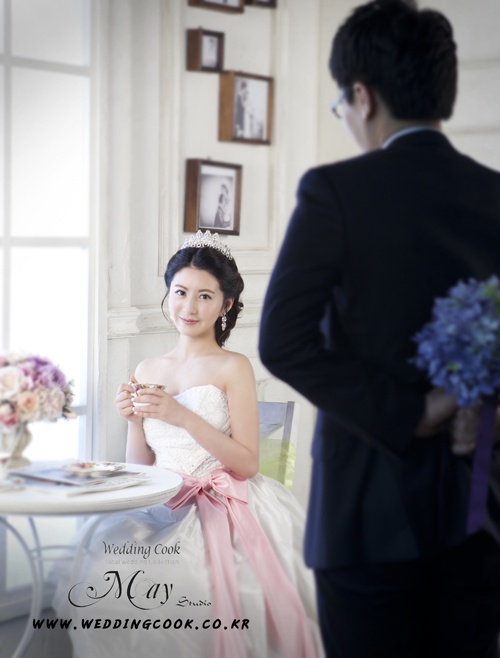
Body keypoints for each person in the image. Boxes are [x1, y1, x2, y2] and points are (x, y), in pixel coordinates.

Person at [258, 1, 500, 657]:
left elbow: (283, 342)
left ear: (361, 96)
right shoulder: (494, 194)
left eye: (341, 104)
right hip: (480, 504)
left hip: (365, 511)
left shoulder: (334, 191)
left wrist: (413, 412)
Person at [52, 230, 322, 658]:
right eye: (180, 292)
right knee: (106, 576)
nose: (189, 307)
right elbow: (141, 466)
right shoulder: (148, 367)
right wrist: (134, 422)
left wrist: (182, 416)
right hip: (159, 503)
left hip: (222, 505)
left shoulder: (233, 367)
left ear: (226, 305)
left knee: (187, 588)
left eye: (205, 296)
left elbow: (248, 463)